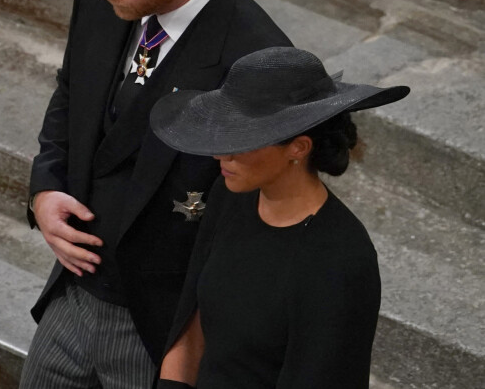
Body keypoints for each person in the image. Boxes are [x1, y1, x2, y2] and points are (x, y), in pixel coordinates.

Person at [19, 0, 292, 389]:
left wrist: (183, 361)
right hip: (70, 298)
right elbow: (72, 93)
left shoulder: (255, 58)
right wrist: (45, 188)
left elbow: (244, 231)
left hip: (157, 329)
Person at [150, 46, 410, 389]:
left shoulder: (341, 260)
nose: (219, 153)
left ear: (298, 148)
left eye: (241, 139)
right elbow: (191, 324)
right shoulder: (230, 195)